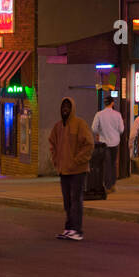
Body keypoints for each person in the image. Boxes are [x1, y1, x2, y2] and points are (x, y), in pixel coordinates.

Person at [49, 97, 94, 241]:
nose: (65, 109)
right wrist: (56, 161)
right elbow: (52, 144)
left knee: (76, 200)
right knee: (67, 201)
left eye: (68, 106)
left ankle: (77, 230)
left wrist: (77, 161)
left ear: (72, 108)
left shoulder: (80, 124)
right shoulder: (58, 127)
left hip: (77, 171)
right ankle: (69, 228)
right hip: (64, 170)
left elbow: (89, 144)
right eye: (63, 106)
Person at [91, 98, 125, 192]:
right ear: (112, 103)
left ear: (104, 103)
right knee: (113, 164)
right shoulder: (117, 115)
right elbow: (121, 129)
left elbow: (94, 128)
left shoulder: (99, 114)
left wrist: (100, 132)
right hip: (115, 142)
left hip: (104, 143)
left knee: (106, 164)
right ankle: (113, 184)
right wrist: (115, 132)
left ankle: (107, 185)